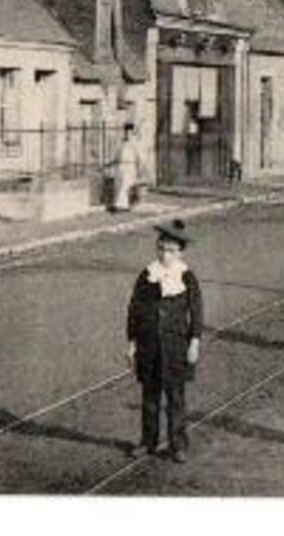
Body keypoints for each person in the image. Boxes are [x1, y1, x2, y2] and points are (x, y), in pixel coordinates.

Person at [126, 219, 203, 462]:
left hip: (175, 347)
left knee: (175, 398)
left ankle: (178, 444)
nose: (165, 255)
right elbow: (134, 310)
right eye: (161, 249)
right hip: (149, 346)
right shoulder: (147, 275)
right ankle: (148, 441)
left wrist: (194, 342)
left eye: (170, 250)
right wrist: (132, 342)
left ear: (180, 252)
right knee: (149, 397)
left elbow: (196, 311)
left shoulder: (187, 277)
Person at [110, 122, 146, 212]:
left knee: (126, 185)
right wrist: (112, 162)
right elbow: (117, 155)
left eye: (129, 132)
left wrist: (140, 168)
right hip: (120, 165)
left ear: (132, 132)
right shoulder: (122, 142)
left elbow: (140, 156)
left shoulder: (135, 143)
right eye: (126, 132)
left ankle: (122, 206)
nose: (127, 134)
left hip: (130, 166)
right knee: (118, 185)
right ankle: (121, 205)